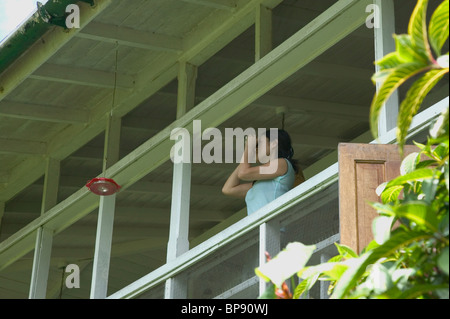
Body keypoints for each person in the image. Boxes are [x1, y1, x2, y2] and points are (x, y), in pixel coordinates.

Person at [222, 129, 304, 215]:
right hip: (261, 227)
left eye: (260, 143)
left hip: (274, 226)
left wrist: (248, 149)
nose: (256, 148)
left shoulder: (282, 163)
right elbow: (228, 189)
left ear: (273, 143)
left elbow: (243, 173)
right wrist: (248, 156)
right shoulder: (259, 184)